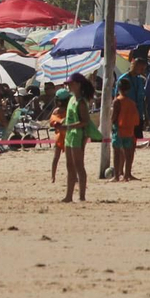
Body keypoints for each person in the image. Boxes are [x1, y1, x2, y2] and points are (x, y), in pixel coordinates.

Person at [62, 74, 97, 204]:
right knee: (69, 166)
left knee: (79, 166)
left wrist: (68, 126)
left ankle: (82, 196)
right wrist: (62, 122)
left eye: (71, 84)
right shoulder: (71, 99)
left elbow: (85, 122)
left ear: (78, 84)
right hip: (70, 134)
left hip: (77, 134)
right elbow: (70, 116)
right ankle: (69, 196)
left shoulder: (81, 102)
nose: (69, 86)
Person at [111, 75, 140, 182]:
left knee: (117, 152)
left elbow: (114, 116)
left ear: (118, 88)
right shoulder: (132, 103)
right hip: (129, 130)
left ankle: (116, 175)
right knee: (128, 153)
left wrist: (112, 124)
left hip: (119, 129)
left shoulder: (117, 101)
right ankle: (127, 174)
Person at [49, 91, 68, 183]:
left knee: (58, 158)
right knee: (56, 157)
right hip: (61, 137)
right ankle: (53, 176)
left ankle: (53, 177)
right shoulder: (57, 111)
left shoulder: (63, 110)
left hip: (64, 136)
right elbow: (52, 122)